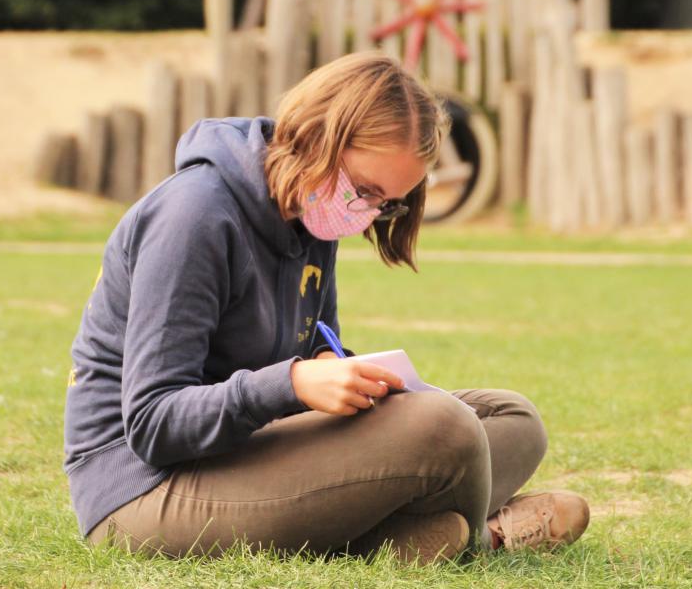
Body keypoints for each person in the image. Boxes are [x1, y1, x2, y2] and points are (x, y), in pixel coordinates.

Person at [63, 52, 589, 566]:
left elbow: (318, 351)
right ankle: (475, 541)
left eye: (386, 203)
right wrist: (290, 384)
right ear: (317, 137)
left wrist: (347, 378)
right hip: (145, 489)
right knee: (444, 429)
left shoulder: (311, 213)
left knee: (509, 418)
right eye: (364, 191)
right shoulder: (193, 217)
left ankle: (416, 535)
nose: (366, 216)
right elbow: (154, 423)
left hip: (247, 447)